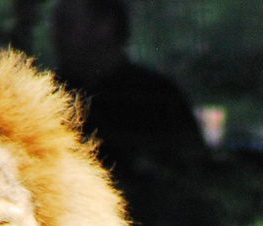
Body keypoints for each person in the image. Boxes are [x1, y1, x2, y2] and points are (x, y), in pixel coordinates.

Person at [51, 0, 206, 175]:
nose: (55, 35)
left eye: (67, 24)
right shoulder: (49, 95)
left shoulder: (156, 97)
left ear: (105, 26)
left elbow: (191, 173)